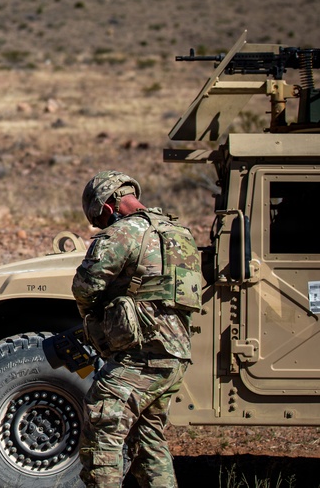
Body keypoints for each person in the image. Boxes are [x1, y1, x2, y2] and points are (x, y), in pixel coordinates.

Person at [72, 171, 202, 488]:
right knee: (148, 444)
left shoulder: (122, 234)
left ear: (106, 206)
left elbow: (84, 287)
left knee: (102, 426)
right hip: (176, 358)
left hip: (142, 358)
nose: (103, 226)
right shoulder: (181, 233)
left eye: (100, 220)